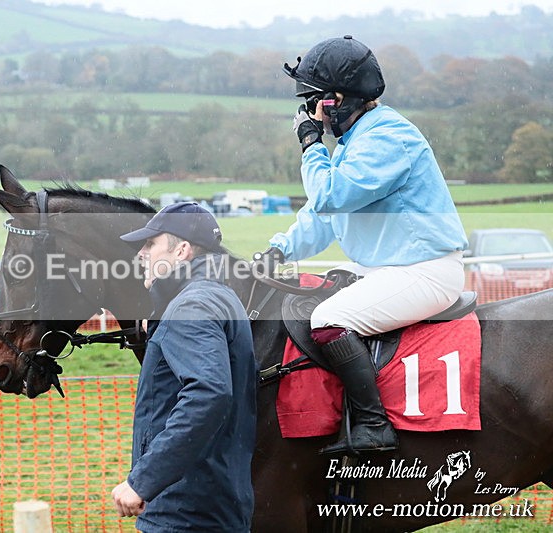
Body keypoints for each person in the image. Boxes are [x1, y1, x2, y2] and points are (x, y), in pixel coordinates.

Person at [261, 35, 468, 455]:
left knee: (327, 320)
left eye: (312, 102)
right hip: (388, 271)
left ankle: (374, 426)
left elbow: (330, 195)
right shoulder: (357, 141)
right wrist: (279, 249)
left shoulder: (387, 137)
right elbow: (325, 219)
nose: (308, 113)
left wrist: (310, 145)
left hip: (424, 272)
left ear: (338, 99)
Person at [112, 201, 258, 532]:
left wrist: (144, 480)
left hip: (185, 511)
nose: (141, 255)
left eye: (151, 245)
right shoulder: (217, 296)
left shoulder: (190, 305)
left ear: (182, 251)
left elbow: (209, 394)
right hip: (212, 502)